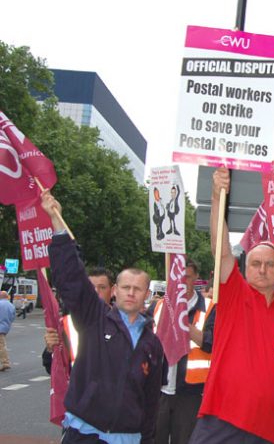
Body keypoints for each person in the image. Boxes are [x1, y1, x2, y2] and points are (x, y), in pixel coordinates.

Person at [189, 168, 274, 444]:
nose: (262, 269)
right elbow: (221, 248)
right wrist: (218, 197)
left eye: (270, 265)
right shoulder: (234, 294)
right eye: (255, 263)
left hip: (267, 426)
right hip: (221, 418)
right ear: (245, 267)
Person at [42, 190, 164, 444]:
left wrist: (148, 439)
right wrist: (57, 224)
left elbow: (151, 402)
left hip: (128, 438)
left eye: (137, 288)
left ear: (146, 295)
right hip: (84, 434)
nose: (131, 293)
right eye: (125, 287)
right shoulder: (94, 319)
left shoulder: (153, 345)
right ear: (114, 291)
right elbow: (72, 278)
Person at [152, 260, 214, 444]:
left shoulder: (210, 308)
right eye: (178, 277)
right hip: (160, 390)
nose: (182, 281)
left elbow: (212, 343)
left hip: (190, 393)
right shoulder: (159, 306)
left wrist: (182, 322)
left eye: (186, 276)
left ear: (195, 278)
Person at [42, 267, 115, 374]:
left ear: (113, 290)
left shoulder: (122, 323)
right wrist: (51, 349)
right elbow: (52, 368)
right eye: (91, 288)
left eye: (102, 287)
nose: (96, 292)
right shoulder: (69, 324)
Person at [0, 290, 16, 371]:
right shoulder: (11, 306)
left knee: (1, 345)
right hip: (5, 327)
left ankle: (5, 362)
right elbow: (12, 318)